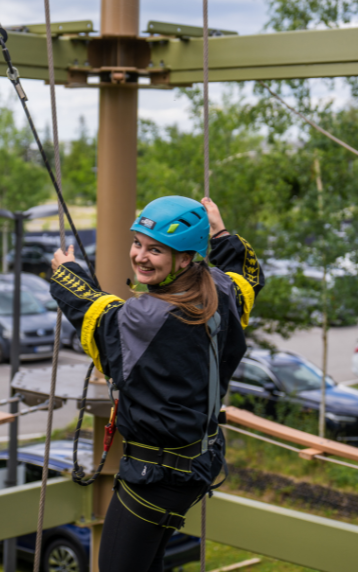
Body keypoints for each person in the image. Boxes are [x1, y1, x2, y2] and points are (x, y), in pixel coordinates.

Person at [50, 196, 264, 572]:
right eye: (138, 243)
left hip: (157, 476)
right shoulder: (218, 290)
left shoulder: (149, 317)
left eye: (156, 250)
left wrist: (67, 273)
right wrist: (220, 235)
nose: (140, 256)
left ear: (184, 259)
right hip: (199, 461)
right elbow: (247, 276)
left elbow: (97, 315)